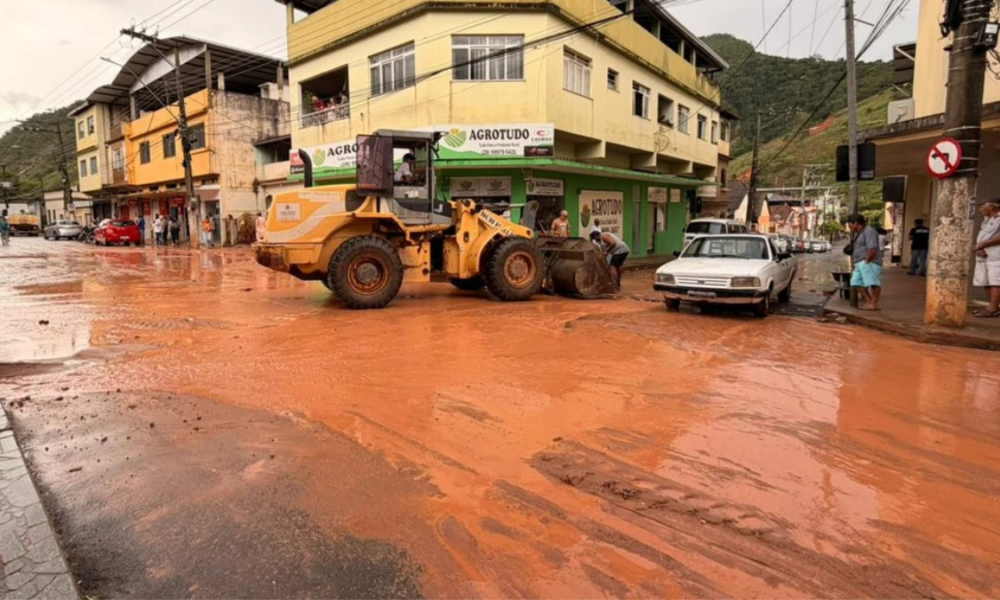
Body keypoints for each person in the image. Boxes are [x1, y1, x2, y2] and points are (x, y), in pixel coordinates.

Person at [846, 214, 883, 311]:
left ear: (856, 223)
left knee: (873, 283)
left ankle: (874, 303)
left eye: (850, 224)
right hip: (859, 262)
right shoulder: (857, 232)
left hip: (869, 262)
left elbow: (872, 248)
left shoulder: (869, 231)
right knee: (856, 282)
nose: (849, 226)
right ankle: (869, 301)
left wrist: (867, 261)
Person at [972, 198, 1000, 318]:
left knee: (996, 281)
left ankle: (992, 308)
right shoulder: (987, 219)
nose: (980, 209)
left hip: (996, 255)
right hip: (985, 254)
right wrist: (980, 248)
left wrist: (982, 245)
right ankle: (992, 306)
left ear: (992, 206)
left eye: (982, 206)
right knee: (986, 280)